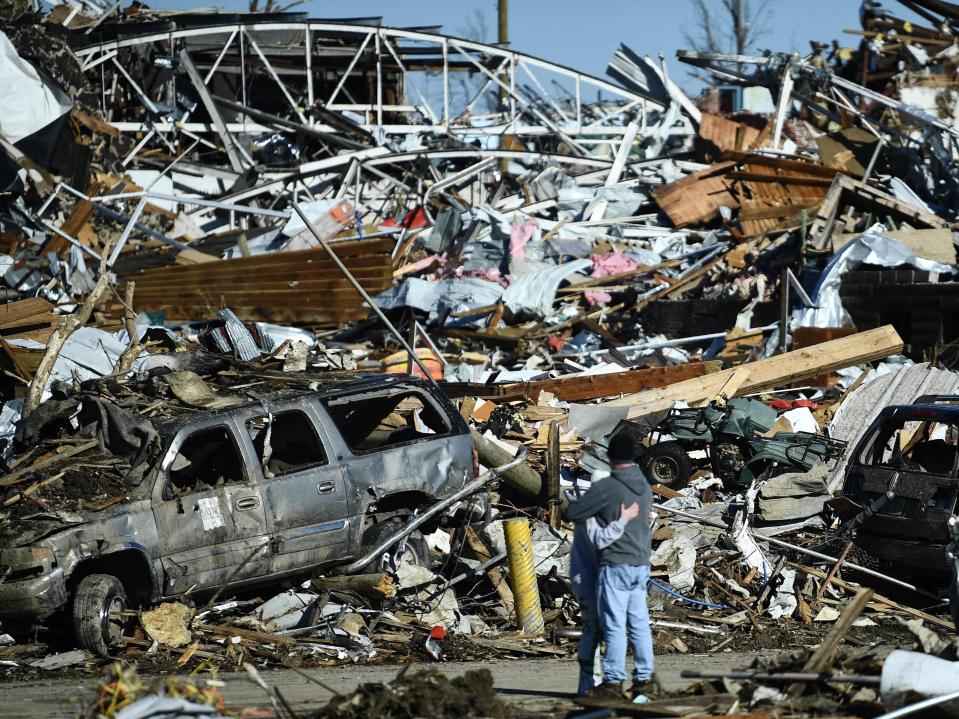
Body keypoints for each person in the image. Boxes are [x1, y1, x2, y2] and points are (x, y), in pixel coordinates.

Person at [565, 433, 655, 700]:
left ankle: (613, 682)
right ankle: (644, 681)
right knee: (639, 624)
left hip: (616, 564)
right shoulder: (645, 486)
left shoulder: (609, 487)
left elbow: (573, 512)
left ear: (610, 457)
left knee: (614, 624)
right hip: (641, 565)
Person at [569, 501, 640, 695]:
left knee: (592, 632)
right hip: (593, 584)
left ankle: (589, 684)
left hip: (586, 581)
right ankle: (598, 684)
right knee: (604, 633)